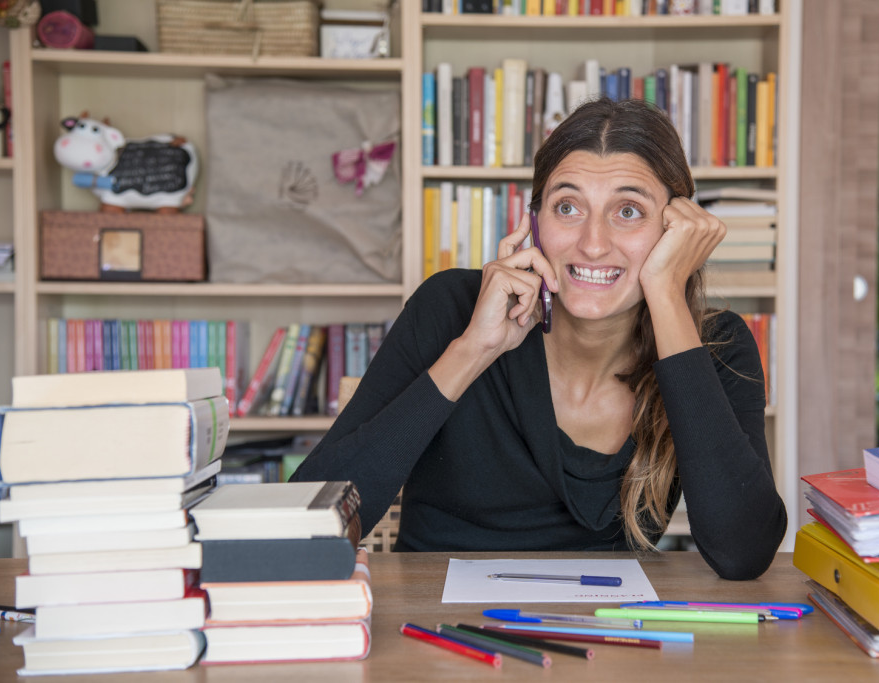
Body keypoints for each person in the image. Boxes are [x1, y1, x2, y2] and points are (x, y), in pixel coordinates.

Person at [293, 97, 787, 580]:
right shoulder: (450, 309)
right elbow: (303, 528)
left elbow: (742, 552)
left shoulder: (712, 346)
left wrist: (666, 292)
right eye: (567, 207)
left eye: (629, 211)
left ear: (677, 231)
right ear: (534, 225)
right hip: (439, 636)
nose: (593, 243)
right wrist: (474, 349)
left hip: (610, 640)